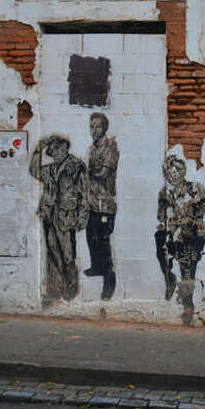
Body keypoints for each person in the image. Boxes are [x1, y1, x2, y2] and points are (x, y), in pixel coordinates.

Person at [29, 135, 88, 305]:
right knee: (53, 255)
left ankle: (70, 291)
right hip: (49, 215)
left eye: (57, 151)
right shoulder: (49, 169)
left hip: (66, 216)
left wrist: (83, 216)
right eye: (52, 152)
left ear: (65, 149)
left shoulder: (76, 166)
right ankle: (55, 291)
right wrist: (38, 150)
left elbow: (84, 193)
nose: (54, 155)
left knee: (68, 256)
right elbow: (34, 171)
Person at [155, 155, 205, 325]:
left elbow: (201, 206)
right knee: (165, 252)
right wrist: (165, 226)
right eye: (170, 172)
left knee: (187, 269)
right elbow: (161, 216)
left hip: (191, 235)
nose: (173, 175)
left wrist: (194, 219)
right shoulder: (164, 193)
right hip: (174, 235)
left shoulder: (193, 188)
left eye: (176, 172)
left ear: (182, 172)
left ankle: (188, 303)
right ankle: (173, 283)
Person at [84, 113, 119, 301]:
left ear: (105, 128)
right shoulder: (92, 148)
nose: (94, 130)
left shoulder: (110, 146)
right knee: (92, 238)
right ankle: (96, 267)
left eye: (97, 126)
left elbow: (104, 173)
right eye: (91, 126)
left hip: (104, 203)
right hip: (91, 202)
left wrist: (86, 171)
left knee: (104, 243)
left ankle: (109, 281)